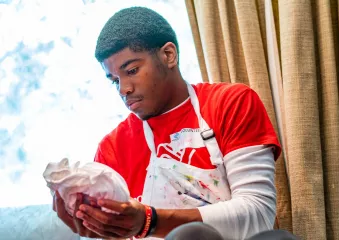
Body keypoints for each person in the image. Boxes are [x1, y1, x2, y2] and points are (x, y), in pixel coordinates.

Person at [53, 6, 281, 240]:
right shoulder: (112, 148)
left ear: (168, 55)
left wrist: (149, 221)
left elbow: (258, 214)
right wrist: (98, 231)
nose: (124, 89)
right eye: (114, 81)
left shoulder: (230, 103)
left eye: (132, 70)